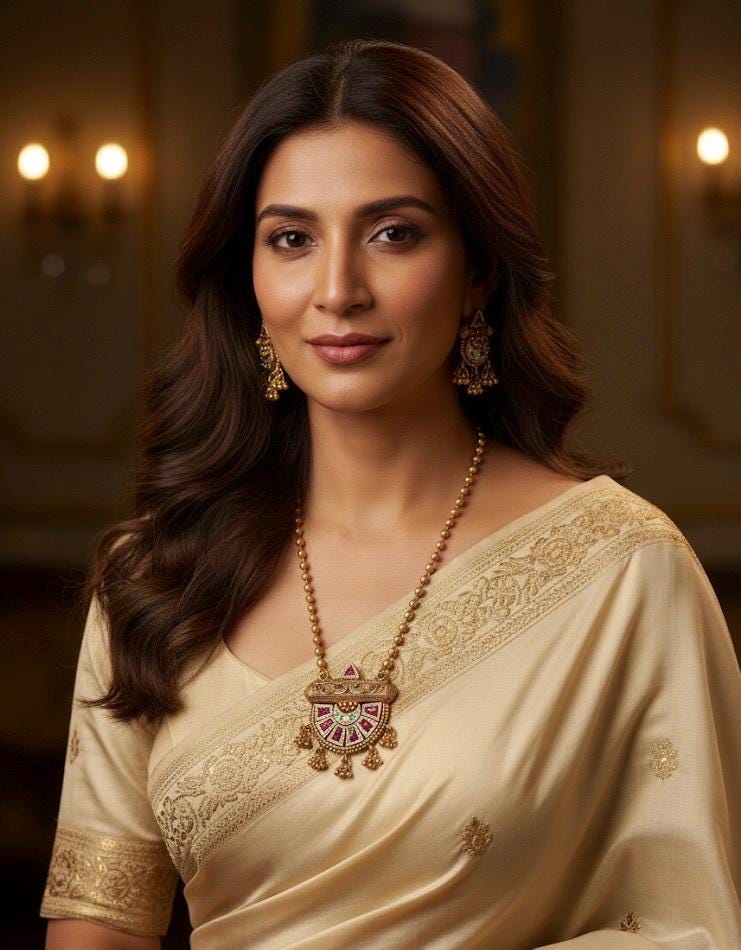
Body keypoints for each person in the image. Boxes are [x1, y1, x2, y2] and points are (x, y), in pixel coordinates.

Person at [41, 38, 740, 950]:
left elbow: (687, 922)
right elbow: (97, 926)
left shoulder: (622, 572)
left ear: (477, 268)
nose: (337, 290)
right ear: (248, 277)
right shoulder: (156, 575)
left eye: (393, 233)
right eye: (291, 239)